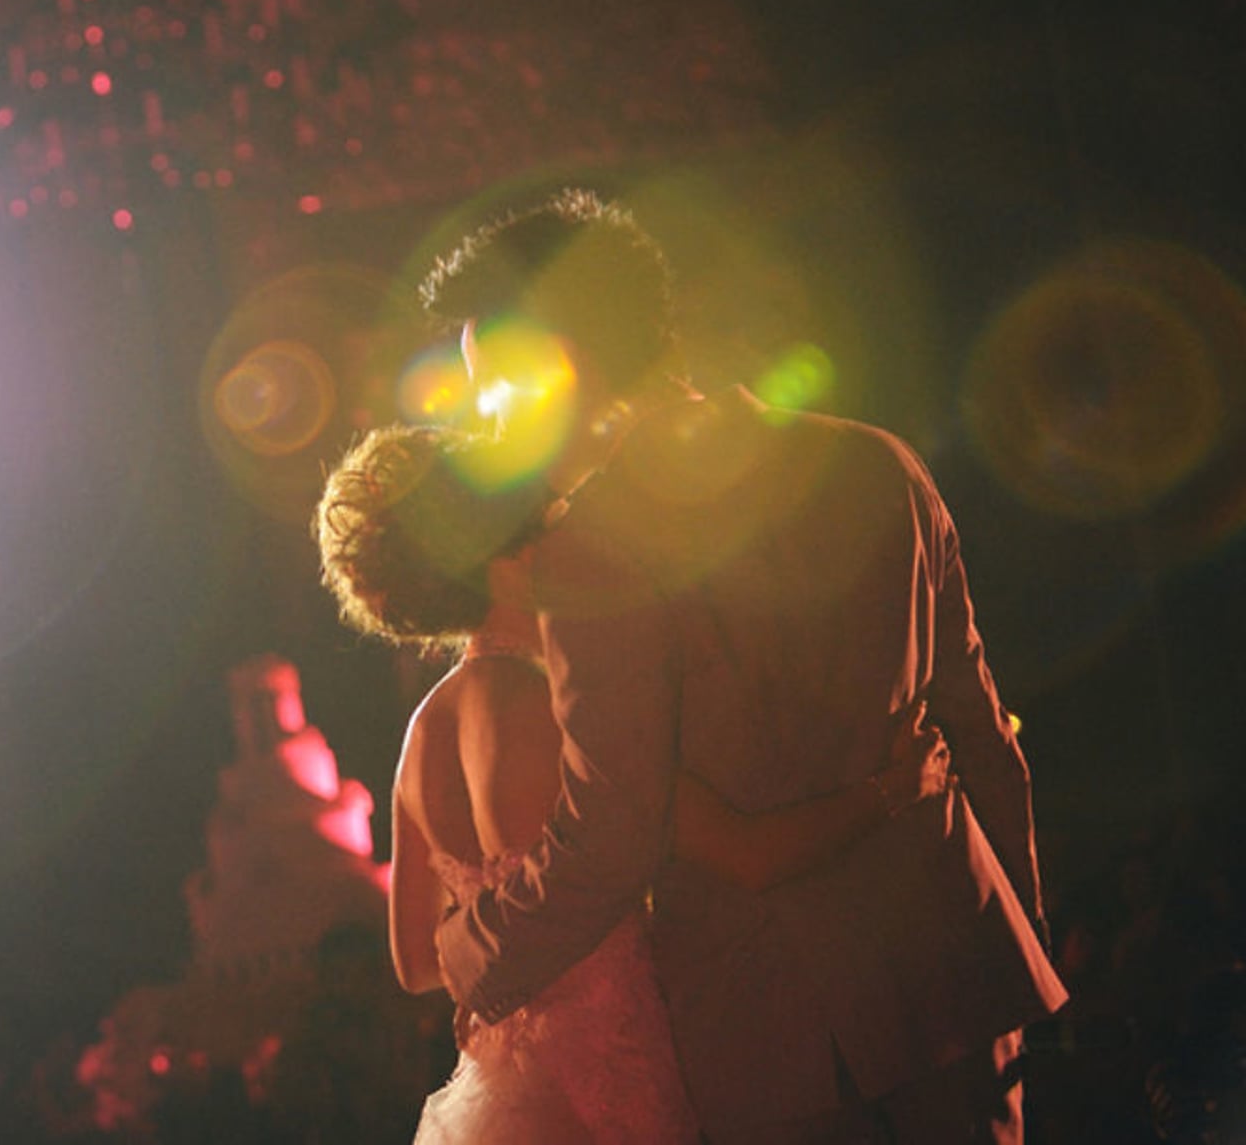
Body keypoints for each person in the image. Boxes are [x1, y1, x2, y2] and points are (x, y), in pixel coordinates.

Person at [417, 190, 1066, 1143]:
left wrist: (474, 950)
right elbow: (983, 734)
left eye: (495, 390)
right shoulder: (880, 463)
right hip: (957, 974)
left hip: (773, 1026)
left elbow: (614, 829)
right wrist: (1022, 933)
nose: (486, 421)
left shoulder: (594, 551)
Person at [316, 424, 956, 1144]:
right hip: (619, 1087)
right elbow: (745, 854)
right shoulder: (561, 708)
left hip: (498, 1104)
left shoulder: (423, 732)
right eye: (542, 533)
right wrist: (892, 789)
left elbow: (414, 962)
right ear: (504, 560)